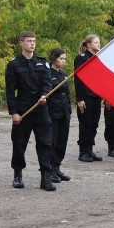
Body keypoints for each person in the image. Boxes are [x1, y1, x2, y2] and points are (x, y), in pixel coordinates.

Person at [5, 31, 56, 191]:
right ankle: (18, 175)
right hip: (23, 108)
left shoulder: (42, 63)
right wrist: (14, 112)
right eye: (29, 41)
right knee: (19, 143)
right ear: (21, 43)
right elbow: (10, 91)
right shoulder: (14, 64)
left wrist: (44, 95)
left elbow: (48, 83)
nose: (32, 44)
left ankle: (46, 177)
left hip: (41, 108)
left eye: (34, 41)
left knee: (45, 143)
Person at [73, 34, 103, 163]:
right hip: (86, 96)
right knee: (85, 124)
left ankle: (90, 149)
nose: (98, 44)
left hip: (96, 95)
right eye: (96, 42)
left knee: (94, 124)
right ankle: (83, 151)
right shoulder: (82, 58)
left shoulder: (98, 58)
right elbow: (78, 79)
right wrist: (79, 98)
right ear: (89, 45)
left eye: (99, 42)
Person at [47, 48, 72, 183]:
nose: (63, 61)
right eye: (61, 58)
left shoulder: (63, 74)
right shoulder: (47, 74)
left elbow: (67, 95)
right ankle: (49, 169)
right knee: (53, 141)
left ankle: (57, 167)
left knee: (62, 142)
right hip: (53, 112)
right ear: (54, 59)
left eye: (65, 59)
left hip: (64, 112)